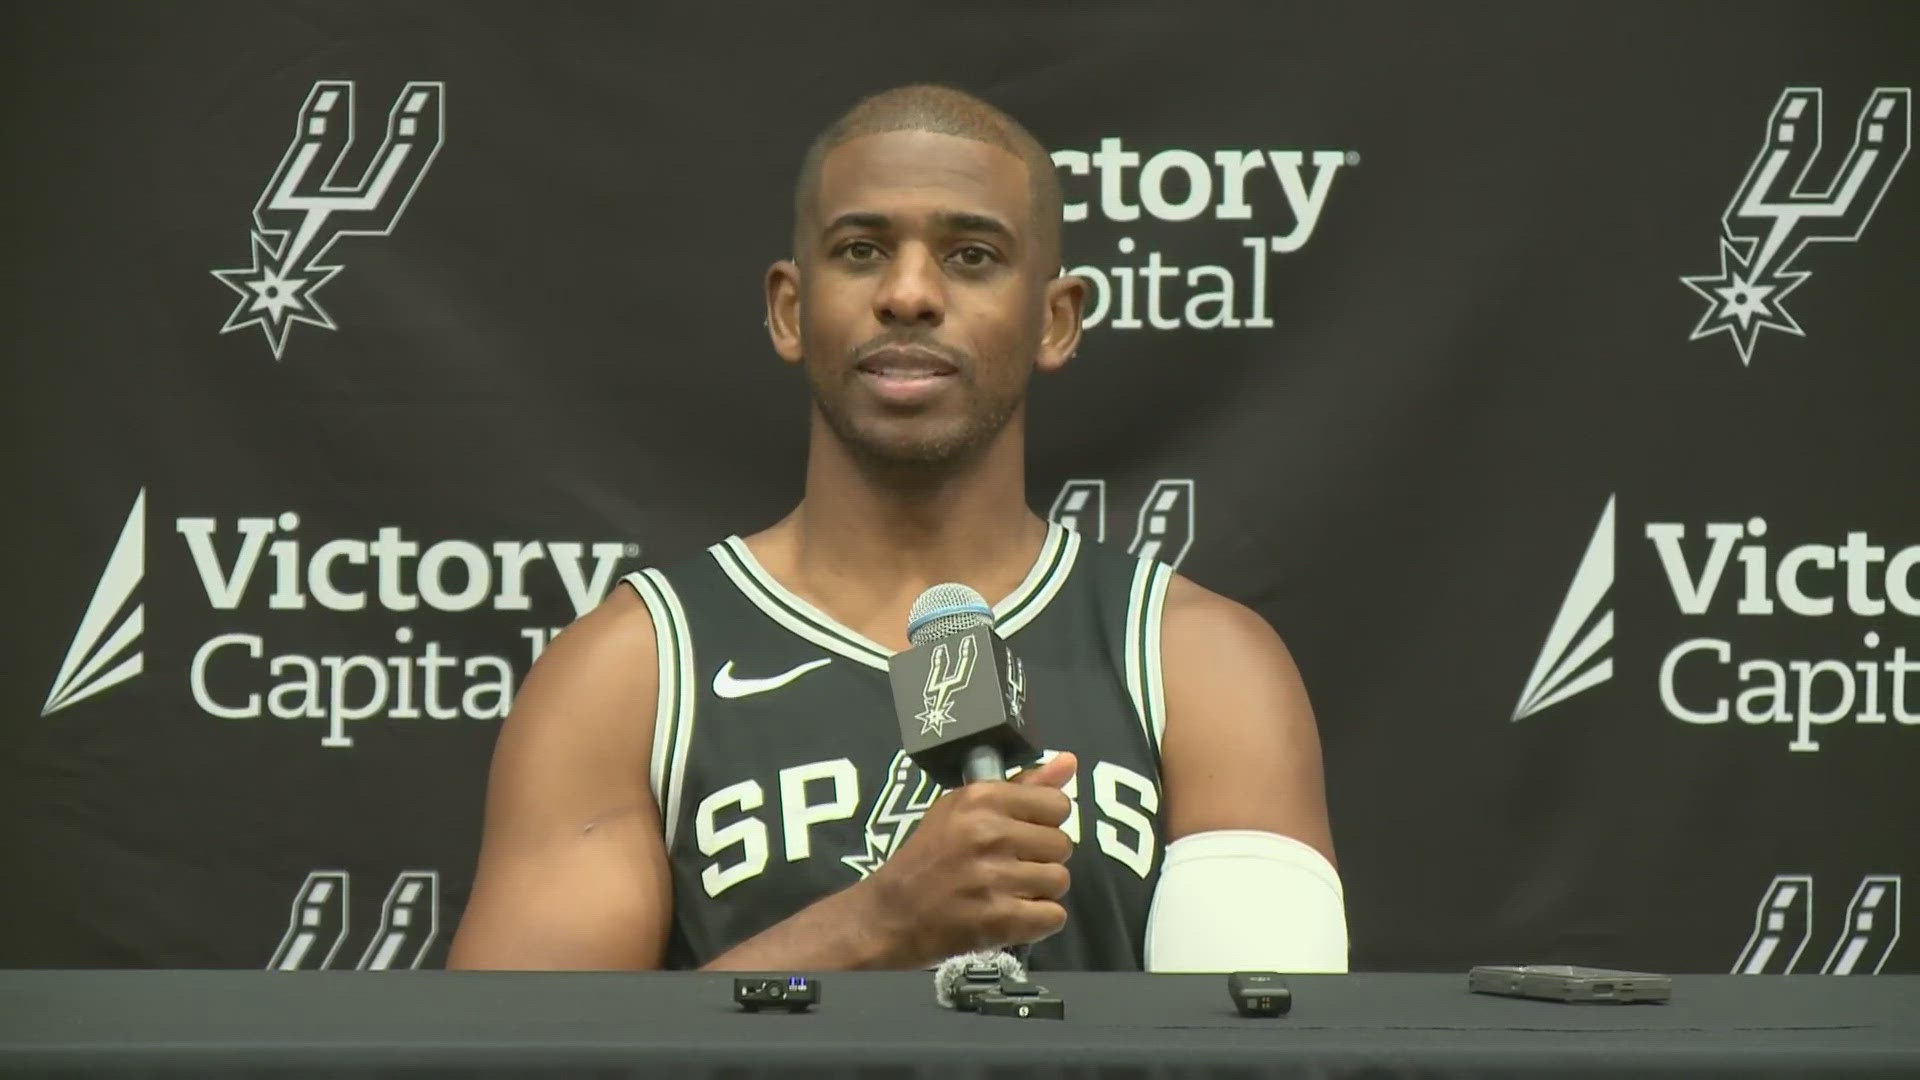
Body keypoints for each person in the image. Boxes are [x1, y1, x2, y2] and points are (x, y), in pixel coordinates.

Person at [447, 84, 1344, 973]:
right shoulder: (631, 672)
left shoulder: (1200, 662)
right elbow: (528, 1055)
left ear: (1056, 319)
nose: (909, 293)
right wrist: (876, 925)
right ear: (791, 310)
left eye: (972, 256)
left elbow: (1273, 1048)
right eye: (863, 249)